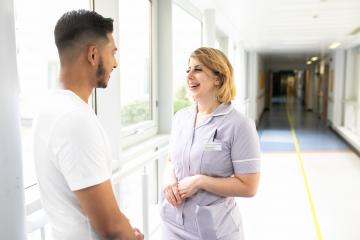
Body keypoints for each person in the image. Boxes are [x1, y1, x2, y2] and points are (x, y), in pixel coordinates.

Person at [33, 10, 143, 240]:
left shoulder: (50, 108)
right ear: (93, 54)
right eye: (112, 52)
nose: (115, 63)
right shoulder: (75, 120)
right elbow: (111, 227)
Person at [160, 47, 261, 240]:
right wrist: (168, 180)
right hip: (172, 224)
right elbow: (171, 160)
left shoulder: (239, 125)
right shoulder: (181, 117)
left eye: (197, 70)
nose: (189, 75)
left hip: (214, 231)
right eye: (187, 69)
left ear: (218, 78)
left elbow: (249, 187)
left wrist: (200, 182)